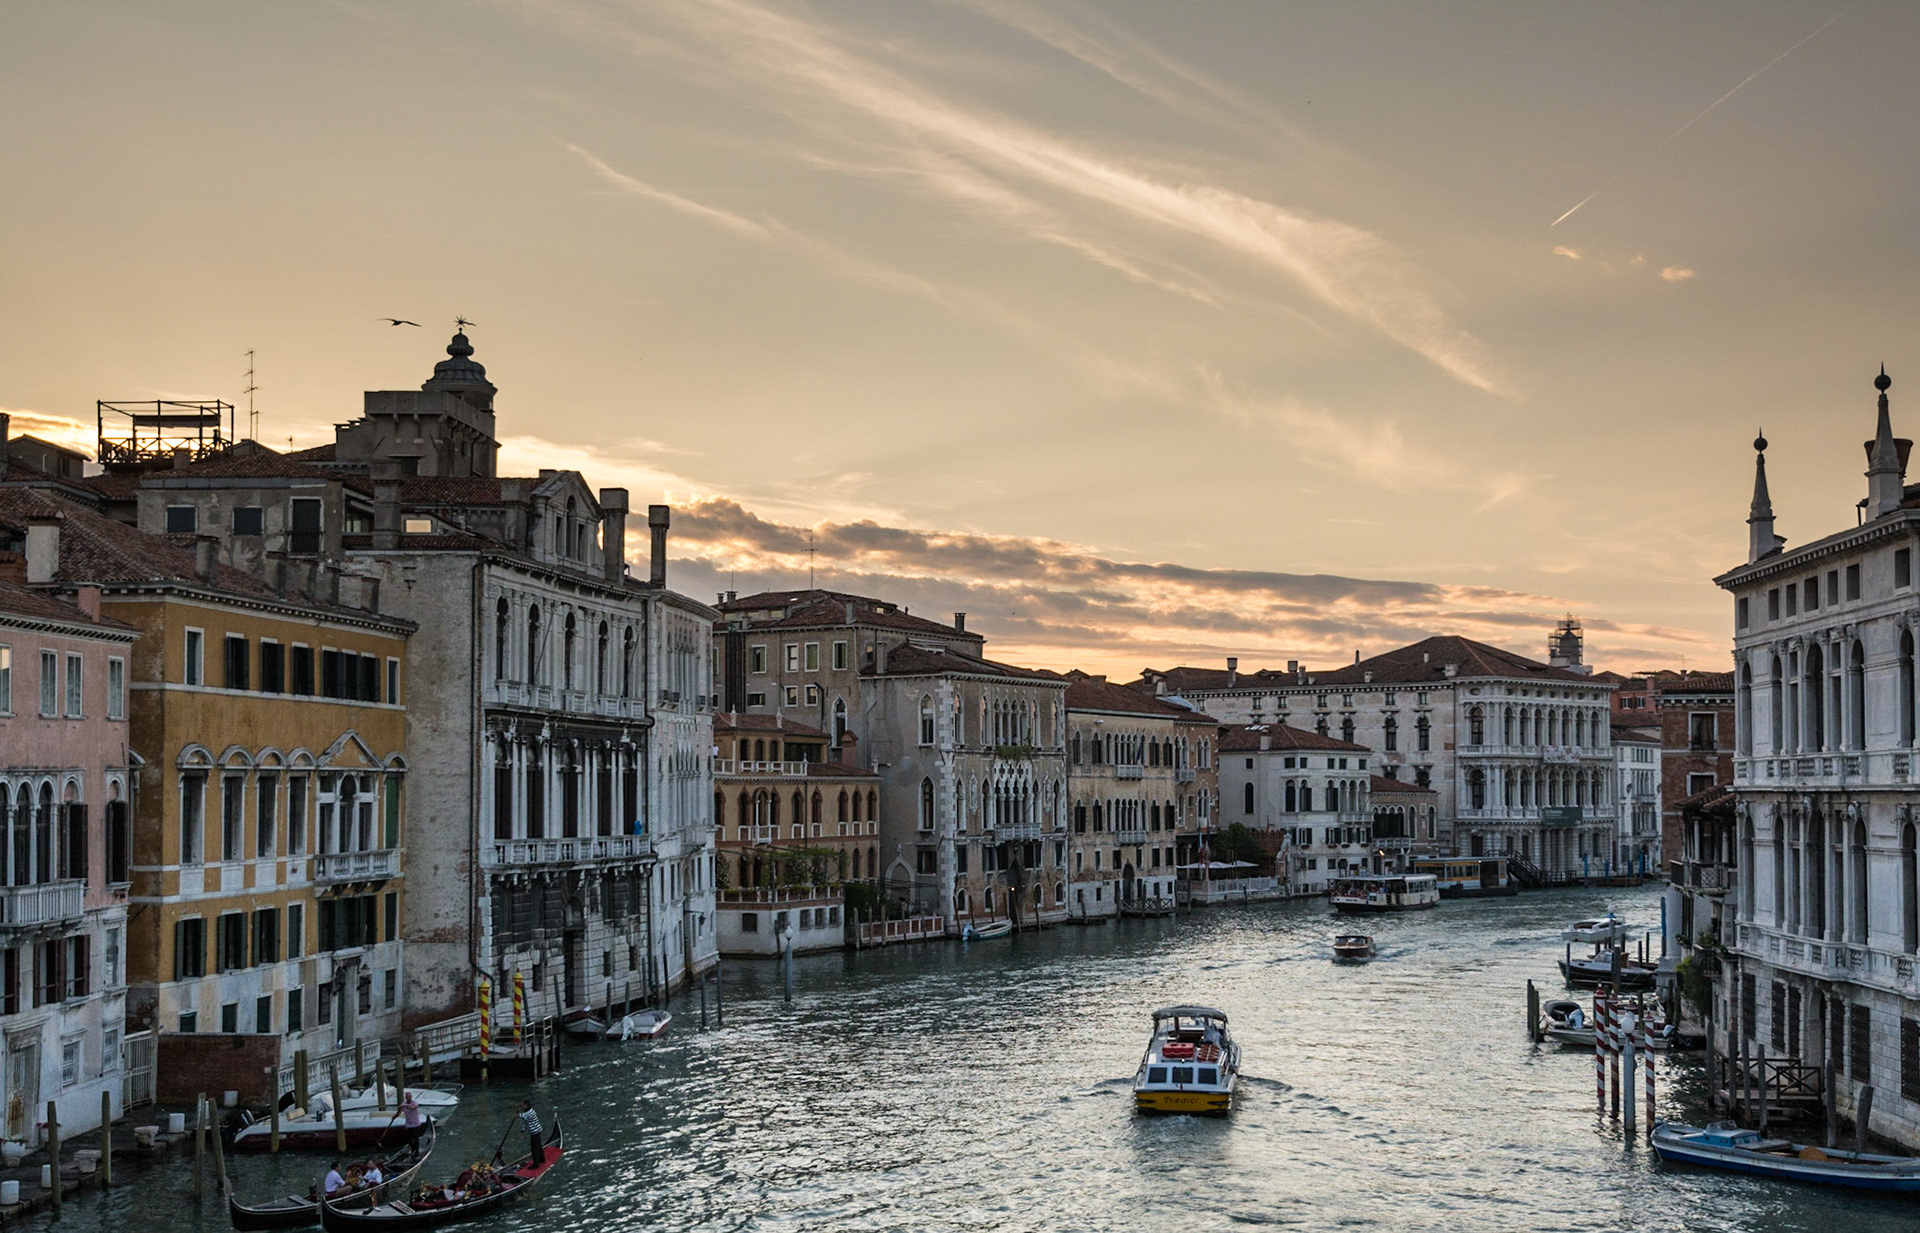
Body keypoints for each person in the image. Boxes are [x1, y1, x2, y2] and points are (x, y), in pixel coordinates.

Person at [518, 1101, 545, 1165]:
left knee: (534, 1148)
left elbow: (523, 1116)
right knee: (538, 1146)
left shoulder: (531, 1112)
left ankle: (536, 1164)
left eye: (523, 1105)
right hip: (535, 1132)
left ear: (526, 1106)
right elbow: (525, 1123)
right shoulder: (527, 1113)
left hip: (535, 1132)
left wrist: (517, 1115)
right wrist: (522, 1131)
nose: (522, 1107)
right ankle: (542, 1159)